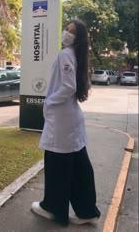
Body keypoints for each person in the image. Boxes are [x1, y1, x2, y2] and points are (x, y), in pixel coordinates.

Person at [31, 19, 101, 226]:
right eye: (66, 29)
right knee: (80, 168)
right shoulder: (80, 57)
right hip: (71, 120)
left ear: (78, 38)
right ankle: (87, 210)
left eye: (71, 31)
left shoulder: (65, 55)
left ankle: (53, 209)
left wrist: (49, 102)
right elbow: (82, 85)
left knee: (56, 167)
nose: (66, 33)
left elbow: (68, 87)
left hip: (62, 121)